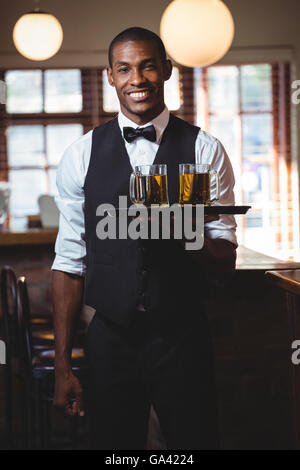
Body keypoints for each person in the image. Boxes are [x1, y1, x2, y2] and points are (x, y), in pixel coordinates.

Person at [51, 26, 237, 450]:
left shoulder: (203, 151)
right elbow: (68, 261)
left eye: (148, 66)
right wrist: (63, 367)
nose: (137, 79)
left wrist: (186, 232)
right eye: (125, 69)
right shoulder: (81, 154)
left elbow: (224, 261)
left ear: (167, 71)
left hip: (182, 333)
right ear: (111, 77)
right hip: (110, 335)